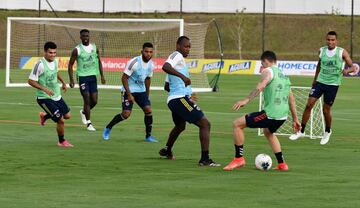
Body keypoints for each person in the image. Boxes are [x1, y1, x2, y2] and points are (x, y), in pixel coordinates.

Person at [223, 51, 301, 171]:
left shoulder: (267, 71)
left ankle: (239, 159)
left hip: (270, 115)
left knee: (237, 124)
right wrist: (295, 119)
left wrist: (246, 100)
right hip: (282, 116)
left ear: (265, 61)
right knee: (268, 132)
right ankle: (282, 164)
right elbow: (292, 99)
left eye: (262, 63)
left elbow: (261, 85)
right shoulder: (284, 76)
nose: (262, 66)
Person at [158, 36, 220, 167]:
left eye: (189, 47)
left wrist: (186, 93)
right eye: (186, 46)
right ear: (178, 46)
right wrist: (183, 78)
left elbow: (166, 87)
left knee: (180, 126)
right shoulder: (176, 55)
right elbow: (165, 66)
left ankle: (167, 150)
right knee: (205, 124)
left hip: (175, 99)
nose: (188, 49)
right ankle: (204, 159)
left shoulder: (179, 64)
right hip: (179, 99)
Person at [289, 31, 355, 145]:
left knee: (326, 110)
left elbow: (353, 67)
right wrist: (314, 80)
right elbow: (319, 64)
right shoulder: (321, 51)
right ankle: (302, 131)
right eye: (328, 40)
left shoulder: (341, 52)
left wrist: (346, 71)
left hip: (333, 84)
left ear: (336, 41)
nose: (330, 42)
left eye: (333, 40)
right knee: (309, 104)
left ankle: (328, 131)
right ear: (326, 40)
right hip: (320, 82)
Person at [103, 42, 158, 142]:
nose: (148, 54)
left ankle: (148, 136)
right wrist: (129, 94)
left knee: (148, 110)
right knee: (126, 114)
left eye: (150, 52)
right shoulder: (134, 62)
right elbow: (124, 78)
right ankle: (108, 127)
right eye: (146, 51)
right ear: (142, 51)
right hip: (129, 90)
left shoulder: (151, 65)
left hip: (141, 91)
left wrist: (147, 95)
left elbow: (148, 79)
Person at [28, 41, 73, 147]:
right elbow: (30, 81)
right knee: (60, 120)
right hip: (44, 97)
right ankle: (61, 141)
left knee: (67, 116)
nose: (52, 55)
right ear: (45, 52)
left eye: (54, 53)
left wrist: (63, 82)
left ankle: (44, 116)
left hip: (56, 95)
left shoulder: (55, 61)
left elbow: (56, 72)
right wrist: (44, 89)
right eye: (50, 53)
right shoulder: (39, 65)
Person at [68, 29, 106, 131]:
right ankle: (89, 123)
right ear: (80, 37)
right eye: (83, 36)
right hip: (82, 77)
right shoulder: (77, 50)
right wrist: (71, 80)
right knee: (87, 99)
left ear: (89, 36)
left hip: (93, 77)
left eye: (87, 36)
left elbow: (99, 62)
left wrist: (102, 76)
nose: (85, 38)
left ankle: (84, 112)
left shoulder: (94, 47)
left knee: (94, 100)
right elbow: (70, 65)